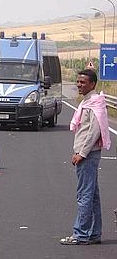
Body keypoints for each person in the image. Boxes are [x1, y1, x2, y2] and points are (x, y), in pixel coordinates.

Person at [60, 69, 111, 246]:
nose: (79, 85)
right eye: (78, 81)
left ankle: (80, 234)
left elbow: (93, 132)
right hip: (87, 153)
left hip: (87, 154)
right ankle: (94, 233)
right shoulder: (88, 102)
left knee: (84, 195)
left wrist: (81, 154)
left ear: (92, 84)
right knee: (93, 194)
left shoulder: (95, 103)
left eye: (83, 82)